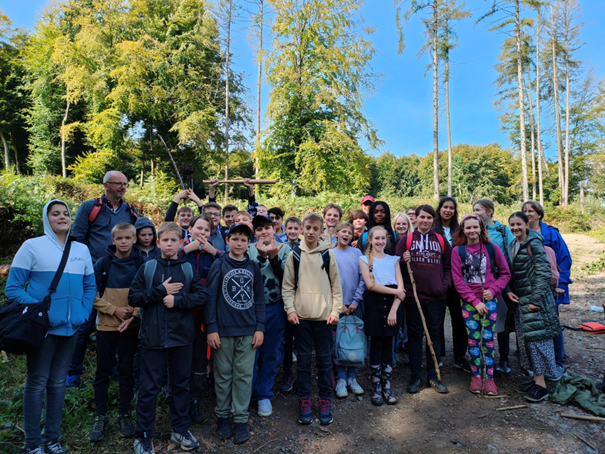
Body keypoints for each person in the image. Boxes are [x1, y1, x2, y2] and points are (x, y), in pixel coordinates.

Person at [5, 200, 96, 454]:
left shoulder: (81, 249)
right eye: (55, 213)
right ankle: (32, 444)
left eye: (66, 213)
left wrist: (83, 312)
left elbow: (90, 286)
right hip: (42, 330)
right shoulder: (32, 246)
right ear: (47, 218)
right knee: (36, 383)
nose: (62, 217)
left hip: (71, 328)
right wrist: (40, 313)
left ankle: (52, 440)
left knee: (58, 383)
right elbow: (12, 288)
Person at [129, 222, 206, 454]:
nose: (169, 244)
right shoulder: (148, 268)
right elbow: (134, 297)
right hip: (152, 339)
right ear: (158, 243)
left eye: (174, 240)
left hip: (182, 338)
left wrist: (178, 301)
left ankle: (180, 428)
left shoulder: (188, 269)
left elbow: (201, 295)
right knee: (148, 388)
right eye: (165, 240)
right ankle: (143, 435)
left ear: (182, 242)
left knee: (181, 385)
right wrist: (161, 291)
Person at [68, 171, 139, 387]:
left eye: (125, 184)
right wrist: (81, 267)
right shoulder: (90, 207)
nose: (123, 188)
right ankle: (73, 373)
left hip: (120, 274)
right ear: (106, 185)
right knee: (85, 323)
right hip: (92, 274)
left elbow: (138, 237)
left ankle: (116, 369)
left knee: (120, 319)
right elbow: (78, 237)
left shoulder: (130, 210)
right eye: (118, 184)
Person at [205, 223, 266, 444]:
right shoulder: (219, 264)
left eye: (243, 240)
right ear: (228, 240)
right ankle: (222, 416)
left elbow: (259, 299)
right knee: (222, 375)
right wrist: (211, 328)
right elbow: (210, 299)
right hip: (223, 330)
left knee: (243, 376)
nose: (239, 243)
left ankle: (240, 419)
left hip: (248, 330)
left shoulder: (253, 267)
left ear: (249, 243)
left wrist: (260, 327)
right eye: (235, 239)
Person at [282, 213, 343, 425]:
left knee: (325, 361)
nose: (310, 232)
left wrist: (335, 311)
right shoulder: (295, 255)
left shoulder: (328, 254)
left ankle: (325, 400)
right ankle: (305, 400)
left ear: (321, 231)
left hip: (325, 318)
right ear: (301, 229)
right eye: (307, 227)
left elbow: (336, 285)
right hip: (301, 319)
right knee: (304, 362)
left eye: (315, 229)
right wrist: (290, 310)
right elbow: (288, 286)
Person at [88, 223, 143, 442]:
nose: (123, 242)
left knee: (126, 370)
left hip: (130, 328)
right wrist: (114, 310)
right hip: (106, 327)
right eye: (119, 238)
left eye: (128, 238)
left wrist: (134, 315)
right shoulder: (103, 264)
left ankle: (124, 413)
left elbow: (147, 293)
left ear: (134, 239)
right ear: (113, 240)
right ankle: (100, 415)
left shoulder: (141, 263)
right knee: (103, 371)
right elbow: (91, 294)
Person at [451, 215, 511, 396]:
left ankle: (489, 378)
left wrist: (493, 290)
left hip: (490, 301)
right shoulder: (458, 251)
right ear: (463, 230)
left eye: (475, 227)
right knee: (473, 339)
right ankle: (476, 376)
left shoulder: (491, 249)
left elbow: (505, 273)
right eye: (467, 228)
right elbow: (458, 280)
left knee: (488, 340)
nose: (472, 231)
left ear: (481, 228)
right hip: (470, 303)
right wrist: (475, 301)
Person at [396, 205, 451, 394]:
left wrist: (443, 287)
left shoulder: (441, 241)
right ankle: (415, 375)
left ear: (433, 220)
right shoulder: (407, 239)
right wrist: (404, 260)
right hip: (414, 296)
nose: (425, 221)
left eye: (429, 217)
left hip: (437, 297)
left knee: (435, 334)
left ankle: (433, 375)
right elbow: (397, 267)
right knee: (415, 335)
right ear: (416, 219)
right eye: (422, 217)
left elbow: (449, 267)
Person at [507, 212, 559, 403]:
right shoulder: (513, 245)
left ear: (527, 224)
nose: (515, 228)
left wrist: (535, 300)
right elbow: (511, 273)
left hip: (536, 303)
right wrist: (509, 291)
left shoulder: (534, 243)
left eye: (518, 224)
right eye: (512, 225)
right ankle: (536, 381)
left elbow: (544, 273)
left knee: (539, 342)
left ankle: (542, 386)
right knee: (527, 342)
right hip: (521, 302)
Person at [180, 213, 223, 424]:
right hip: (180, 315)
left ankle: (195, 400)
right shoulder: (181, 249)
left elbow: (231, 261)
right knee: (180, 360)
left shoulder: (213, 253)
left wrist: (213, 251)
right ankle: (178, 398)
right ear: (190, 229)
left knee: (199, 360)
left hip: (204, 317)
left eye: (207, 230)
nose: (203, 233)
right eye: (199, 229)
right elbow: (165, 259)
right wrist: (188, 249)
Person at [522, 200, 571, 380]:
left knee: (552, 324)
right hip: (528, 288)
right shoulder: (521, 232)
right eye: (525, 211)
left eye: (531, 210)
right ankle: (534, 363)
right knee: (532, 325)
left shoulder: (551, 233)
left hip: (551, 287)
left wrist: (561, 284)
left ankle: (558, 362)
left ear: (539, 214)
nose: (528, 213)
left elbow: (564, 258)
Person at [247, 215, 290, 417]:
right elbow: (248, 275)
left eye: (267, 227)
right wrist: (262, 256)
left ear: (274, 228)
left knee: (271, 352)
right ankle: (247, 393)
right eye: (259, 229)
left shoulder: (285, 248)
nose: (264, 232)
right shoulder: (248, 250)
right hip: (251, 309)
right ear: (254, 233)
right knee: (250, 352)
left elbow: (288, 278)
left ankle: (264, 394)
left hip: (275, 306)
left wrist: (273, 257)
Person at [359, 226, 405, 406]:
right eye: (376, 238)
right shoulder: (364, 260)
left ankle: (387, 385)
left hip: (392, 306)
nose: (380, 242)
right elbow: (371, 285)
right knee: (376, 345)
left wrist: (394, 309)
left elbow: (401, 289)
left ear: (387, 240)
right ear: (370, 240)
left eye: (383, 239)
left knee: (389, 346)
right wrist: (394, 291)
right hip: (374, 305)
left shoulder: (394, 260)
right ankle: (376, 386)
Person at [473, 198, 515, 375]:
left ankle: (504, 359)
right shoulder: (475, 231)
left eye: (478, 210)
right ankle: (484, 358)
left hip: (502, 283)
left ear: (489, 211)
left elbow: (513, 253)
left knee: (503, 322)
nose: (475, 214)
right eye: (473, 210)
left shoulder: (503, 231)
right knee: (483, 320)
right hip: (480, 283)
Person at [434, 197, 469, 372]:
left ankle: (460, 356)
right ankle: (438, 356)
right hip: (438, 279)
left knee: (459, 319)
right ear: (439, 209)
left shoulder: (459, 230)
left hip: (457, 281)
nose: (448, 210)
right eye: (445, 207)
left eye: (451, 208)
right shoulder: (432, 228)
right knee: (437, 319)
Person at [332, 222, 365, 398]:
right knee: (339, 342)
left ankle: (352, 377)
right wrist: (339, 304)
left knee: (353, 340)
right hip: (337, 306)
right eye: (343, 232)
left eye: (349, 233)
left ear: (353, 236)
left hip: (354, 305)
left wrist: (355, 301)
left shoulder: (357, 253)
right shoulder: (330, 253)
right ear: (336, 233)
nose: (346, 235)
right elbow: (329, 280)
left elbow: (363, 278)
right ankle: (341, 378)